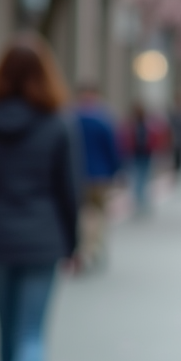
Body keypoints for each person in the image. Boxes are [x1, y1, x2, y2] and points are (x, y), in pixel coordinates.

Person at [0, 35, 79, 361]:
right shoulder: (58, 123)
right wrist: (73, 244)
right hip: (44, 238)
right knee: (32, 332)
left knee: (6, 331)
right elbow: (69, 190)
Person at [73, 83, 121, 271]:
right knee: (99, 214)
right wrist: (115, 170)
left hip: (78, 174)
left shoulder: (70, 118)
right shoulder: (103, 119)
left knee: (83, 213)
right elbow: (113, 148)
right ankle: (94, 247)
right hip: (100, 175)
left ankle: (85, 247)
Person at [123, 102, 160, 215]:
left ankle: (141, 201)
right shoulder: (133, 125)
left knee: (141, 178)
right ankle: (140, 201)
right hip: (137, 155)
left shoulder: (144, 125)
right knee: (140, 178)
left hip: (144, 155)